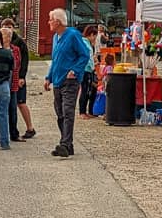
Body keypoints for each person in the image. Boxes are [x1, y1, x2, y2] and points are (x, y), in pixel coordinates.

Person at [44, 8, 88, 159]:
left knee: (68, 111)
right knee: (60, 113)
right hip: (57, 79)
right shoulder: (56, 37)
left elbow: (84, 54)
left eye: (50, 19)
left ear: (58, 21)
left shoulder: (73, 35)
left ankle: (64, 143)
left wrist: (75, 70)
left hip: (70, 80)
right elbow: (56, 60)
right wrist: (48, 77)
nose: (48, 22)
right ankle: (68, 145)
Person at [11, 29, 35, 138]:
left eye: (9, 26)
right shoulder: (1, 41)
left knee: (21, 103)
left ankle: (30, 127)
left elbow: (25, 60)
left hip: (18, 76)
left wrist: (22, 76)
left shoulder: (19, 42)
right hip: (8, 78)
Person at [78, 26, 98, 119]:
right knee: (85, 90)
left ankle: (89, 111)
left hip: (89, 69)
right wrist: (92, 66)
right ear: (91, 34)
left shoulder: (88, 44)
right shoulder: (84, 43)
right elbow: (87, 57)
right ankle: (82, 111)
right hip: (85, 69)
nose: (95, 39)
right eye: (95, 36)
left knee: (90, 90)